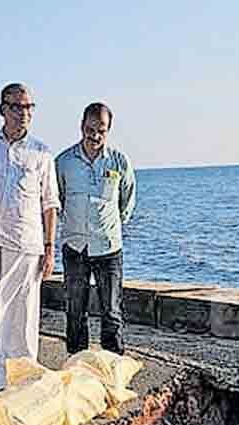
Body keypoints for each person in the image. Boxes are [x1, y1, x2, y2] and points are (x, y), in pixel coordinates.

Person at [0, 83, 59, 396]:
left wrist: (49, 248)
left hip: (28, 243)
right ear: (2, 109)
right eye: (16, 106)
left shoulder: (42, 152)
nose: (23, 113)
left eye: (29, 107)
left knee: (24, 315)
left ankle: (22, 376)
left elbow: (49, 203)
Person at [55, 102, 135, 355]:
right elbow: (57, 199)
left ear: (108, 130)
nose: (95, 135)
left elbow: (127, 201)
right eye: (90, 129)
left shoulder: (119, 161)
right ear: (81, 126)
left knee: (111, 312)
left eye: (101, 130)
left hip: (108, 248)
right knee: (75, 311)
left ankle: (112, 369)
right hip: (75, 247)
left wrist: (109, 225)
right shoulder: (64, 162)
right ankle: (76, 367)